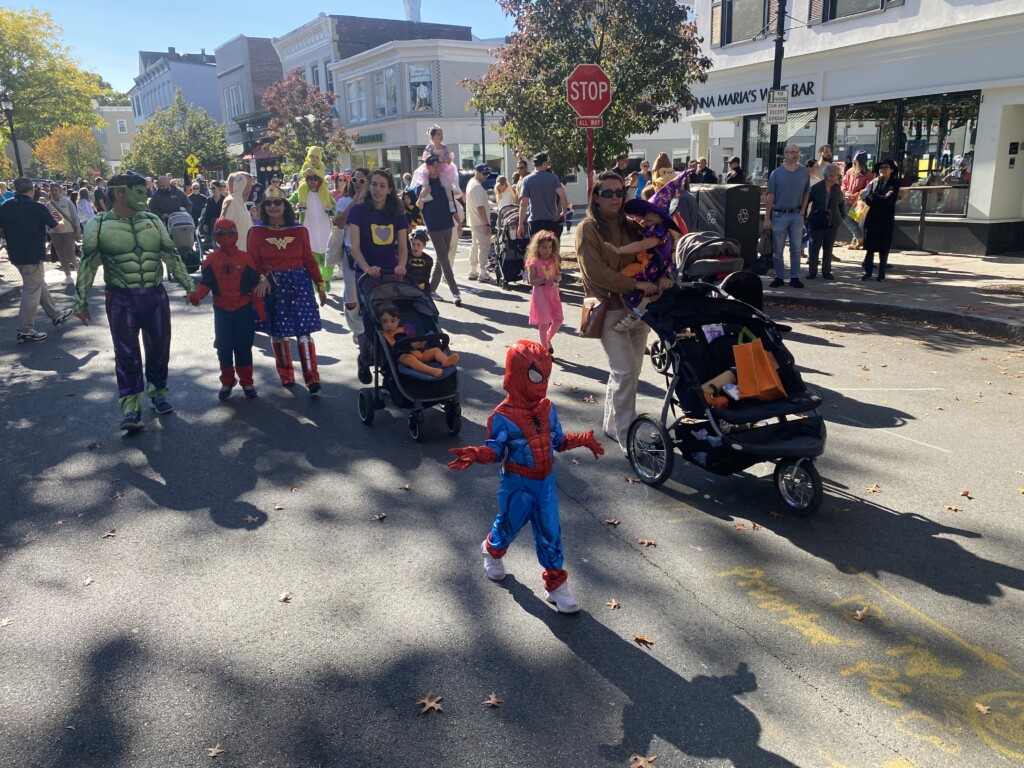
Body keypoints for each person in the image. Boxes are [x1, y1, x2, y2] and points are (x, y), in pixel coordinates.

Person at [448, 340, 604, 614]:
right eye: (535, 375)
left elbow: (556, 440)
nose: (541, 383)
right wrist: (478, 453)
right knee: (508, 526)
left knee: (550, 533)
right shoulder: (502, 416)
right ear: (517, 374)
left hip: (545, 483)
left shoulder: (547, 408)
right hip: (518, 484)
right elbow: (496, 450)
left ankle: (556, 585)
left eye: (545, 375)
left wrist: (582, 439)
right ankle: (492, 549)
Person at [74, 171, 195, 430]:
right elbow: (87, 265)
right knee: (126, 353)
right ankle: (130, 409)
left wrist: (189, 285)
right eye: (139, 191)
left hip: (154, 294)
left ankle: (158, 393)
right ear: (120, 193)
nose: (146, 195)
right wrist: (80, 301)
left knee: (160, 349)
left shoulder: (152, 220)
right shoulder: (99, 225)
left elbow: (170, 255)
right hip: (121, 297)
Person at [575, 170, 662, 452]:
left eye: (619, 192)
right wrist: (635, 283)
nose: (615, 197)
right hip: (610, 309)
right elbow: (595, 272)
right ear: (596, 197)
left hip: (639, 310)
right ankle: (627, 435)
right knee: (624, 371)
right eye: (607, 193)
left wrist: (663, 275)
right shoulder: (587, 229)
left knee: (630, 372)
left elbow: (655, 253)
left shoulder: (633, 227)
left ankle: (612, 425)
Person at [250, 185, 327, 393]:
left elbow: (309, 259)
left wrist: (320, 284)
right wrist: (262, 278)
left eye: (277, 202)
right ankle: (286, 375)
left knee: (304, 331)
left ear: (285, 205)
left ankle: (312, 377)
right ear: (263, 207)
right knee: (278, 332)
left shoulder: (299, 230)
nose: (273, 206)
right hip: (273, 285)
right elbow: (253, 260)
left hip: (299, 283)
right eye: (268, 203)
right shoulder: (256, 231)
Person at [187, 218, 262, 400]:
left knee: (244, 347)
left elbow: (255, 287)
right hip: (222, 310)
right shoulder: (211, 260)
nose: (226, 237)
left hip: (243, 309)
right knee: (224, 347)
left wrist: (261, 310)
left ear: (236, 233)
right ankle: (227, 381)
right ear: (215, 235)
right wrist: (197, 296)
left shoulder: (246, 258)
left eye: (230, 233)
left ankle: (247, 381)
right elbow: (206, 283)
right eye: (221, 233)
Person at [347, 168, 409, 383]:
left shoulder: (397, 214)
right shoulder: (358, 212)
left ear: (390, 189)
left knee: (391, 319)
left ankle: (391, 363)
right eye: (374, 184)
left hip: (391, 274)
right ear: (368, 186)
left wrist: (402, 265)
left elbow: (402, 247)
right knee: (372, 321)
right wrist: (366, 268)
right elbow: (354, 247)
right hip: (367, 274)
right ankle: (365, 358)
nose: (377, 189)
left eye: (383, 185)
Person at [604, 171, 686, 332]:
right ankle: (640, 312)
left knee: (628, 279)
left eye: (651, 216)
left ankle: (638, 312)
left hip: (655, 266)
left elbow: (642, 245)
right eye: (646, 214)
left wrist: (620, 250)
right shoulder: (656, 228)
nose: (646, 218)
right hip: (660, 266)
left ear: (661, 219)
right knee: (640, 286)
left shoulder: (659, 231)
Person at [0, 177, 74, 343]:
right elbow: (58, 227)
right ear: (32, 190)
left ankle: (56, 315)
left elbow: (2, 231)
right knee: (31, 290)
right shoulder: (36, 206)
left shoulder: (6, 206)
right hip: (32, 254)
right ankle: (25, 329)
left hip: (15, 254)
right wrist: (61, 220)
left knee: (38, 285)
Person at [415, 155, 461, 306]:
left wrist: (459, 223)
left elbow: (452, 205)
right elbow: (419, 207)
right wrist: (422, 194)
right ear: (426, 167)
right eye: (432, 165)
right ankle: (456, 292)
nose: (435, 167)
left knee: (442, 260)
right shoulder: (423, 184)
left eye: (437, 164)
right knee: (444, 260)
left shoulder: (444, 183)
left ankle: (431, 289)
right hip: (433, 227)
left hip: (448, 224)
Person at [329, 168, 369, 341]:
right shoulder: (345, 201)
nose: (359, 184)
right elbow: (338, 223)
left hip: (370, 251)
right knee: (351, 297)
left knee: (370, 292)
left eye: (363, 180)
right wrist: (355, 202)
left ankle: (369, 328)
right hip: (349, 252)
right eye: (355, 180)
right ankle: (358, 330)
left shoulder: (376, 201)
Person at [763, 144, 811, 288]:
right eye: (792, 152)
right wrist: (767, 217)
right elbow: (770, 195)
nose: (795, 155)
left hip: (796, 215)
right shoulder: (776, 173)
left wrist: (803, 210)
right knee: (778, 249)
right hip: (779, 215)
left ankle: (794, 277)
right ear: (785, 154)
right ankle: (779, 276)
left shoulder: (804, 172)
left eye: (797, 152)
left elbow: (806, 192)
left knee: (796, 249)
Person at [378, 304, 459, 377]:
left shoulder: (404, 329)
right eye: (384, 321)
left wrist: (419, 343)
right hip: (402, 356)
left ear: (398, 321)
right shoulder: (383, 334)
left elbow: (413, 339)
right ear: (380, 322)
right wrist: (409, 345)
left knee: (436, 350)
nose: (388, 325)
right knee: (408, 358)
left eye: (392, 321)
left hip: (419, 353)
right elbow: (392, 347)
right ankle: (431, 370)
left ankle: (445, 360)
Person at [289, 166, 336, 291]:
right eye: (310, 179)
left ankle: (325, 279)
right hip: (308, 231)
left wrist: (332, 209)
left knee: (328, 261)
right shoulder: (300, 192)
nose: (313, 182)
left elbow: (335, 209)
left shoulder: (325, 192)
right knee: (312, 261)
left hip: (325, 230)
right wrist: (296, 206)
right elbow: (289, 204)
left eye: (316, 179)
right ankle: (317, 281)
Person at [860, 158, 901, 282]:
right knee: (870, 247)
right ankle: (868, 272)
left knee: (884, 247)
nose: (883, 170)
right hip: (872, 218)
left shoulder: (894, 183)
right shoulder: (874, 182)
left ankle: (881, 274)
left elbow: (890, 202)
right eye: (881, 168)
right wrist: (881, 198)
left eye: (886, 167)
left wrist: (875, 198)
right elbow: (865, 197)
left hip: (886, 219)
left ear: (891, 170)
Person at [525, 230, 563, 355]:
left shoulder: (554, 259)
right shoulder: (534, 262)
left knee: (559, 319)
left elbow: (558, 275)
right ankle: (544, 352)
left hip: (553, 293)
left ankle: (546, 340)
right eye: (544, 247)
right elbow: (532, 281)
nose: (547, 250)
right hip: (540, 295)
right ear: (537, 247)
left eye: (549, 247)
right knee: (544, 322)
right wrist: (545, 279)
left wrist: (556, 279)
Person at [517, 152, 570, 239]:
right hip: (551, 221)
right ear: (544, 163)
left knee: (535, 249)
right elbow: (563, 197)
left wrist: (520, 224)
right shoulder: (553, 178)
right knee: (551, 249)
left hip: (535, 222)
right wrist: (563, 213)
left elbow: (524, 203)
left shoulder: (527, 180)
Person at [805, 163, 843, 281]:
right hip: (818, 221)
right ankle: (812, 271)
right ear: (829, 176)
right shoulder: (817, 187)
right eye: (837, 175)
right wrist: (805, 216)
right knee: (814, 247)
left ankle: (826, 271)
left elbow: (841, 203)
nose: (838, 177)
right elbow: (806, 201)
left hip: (832, 222)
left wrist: (841, 216)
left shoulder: (837, 188)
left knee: (828, 247)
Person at [45, 184, 81, 285]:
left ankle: (78, 270)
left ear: (60, 191)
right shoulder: (48, 205)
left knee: (70, 252)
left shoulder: (67, 202)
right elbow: (45, 220)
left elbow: (74, 216)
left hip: (68, 231)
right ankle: (68, 276)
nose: (54, 192)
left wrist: (77, 229)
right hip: (55, 232)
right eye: (52, 190)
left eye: (56, 190)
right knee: (60, 254)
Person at [410, 125, 459, 194]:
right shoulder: (430, 147)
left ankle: (450, 199)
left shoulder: (444, 147)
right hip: (432, 166)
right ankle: (426, 192)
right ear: (432, 137)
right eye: (438, 134)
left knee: (446, 183)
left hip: (443, 167)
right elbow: (425, 158)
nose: (441, 136)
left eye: (441, 134)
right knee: (423, 174)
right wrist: (431, 154)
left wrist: (447, 159)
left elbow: (448, 158)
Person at [465, 164, 493, 282]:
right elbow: (480, 207)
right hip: (480, 221)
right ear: (476, 172)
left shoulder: (471, 183)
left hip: (474, 220)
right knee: (484, 246)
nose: (486, 176)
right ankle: (482, 272)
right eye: (484, 173)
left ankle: (473, 270)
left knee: (475, 246)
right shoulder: (477, 187)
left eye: (487, 174)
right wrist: (486, 223)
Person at [841, 152, 873, 249]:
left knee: (855, 220)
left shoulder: (869, 174)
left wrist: (854, 195)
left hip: (859, 201)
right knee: (846, 218)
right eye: (854, 162)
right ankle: (859, 238)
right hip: (847, 199)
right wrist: (845, 192)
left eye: (856, 163)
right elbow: (844, 183)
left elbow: (867, 189)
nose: (854, 164)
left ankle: (857, 240)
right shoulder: (850, 171)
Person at [220, 172, 254, 254]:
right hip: (235, 256)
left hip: (246, 254)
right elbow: (222, 228)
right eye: (247, 185)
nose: (249, 189)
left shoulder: (241, 203)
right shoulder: (231, 201)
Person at [200, 180, 226, 251]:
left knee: (222, 240)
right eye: (211, 188)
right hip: (212, 223)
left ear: (219, 188)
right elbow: (208, 212)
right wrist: (205, 223)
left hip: (222, 222)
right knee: (214, 240)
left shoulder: (224, 199)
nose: (212, 190)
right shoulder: (210, 199)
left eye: (214, 188)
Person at [405, 228, 433, 292]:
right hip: (407, 287)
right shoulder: (405, 257)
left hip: (421, 289)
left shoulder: (428, 260)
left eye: (418, 245)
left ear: (424, 245)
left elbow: (427, 277)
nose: (415, 247)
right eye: (413, 244)